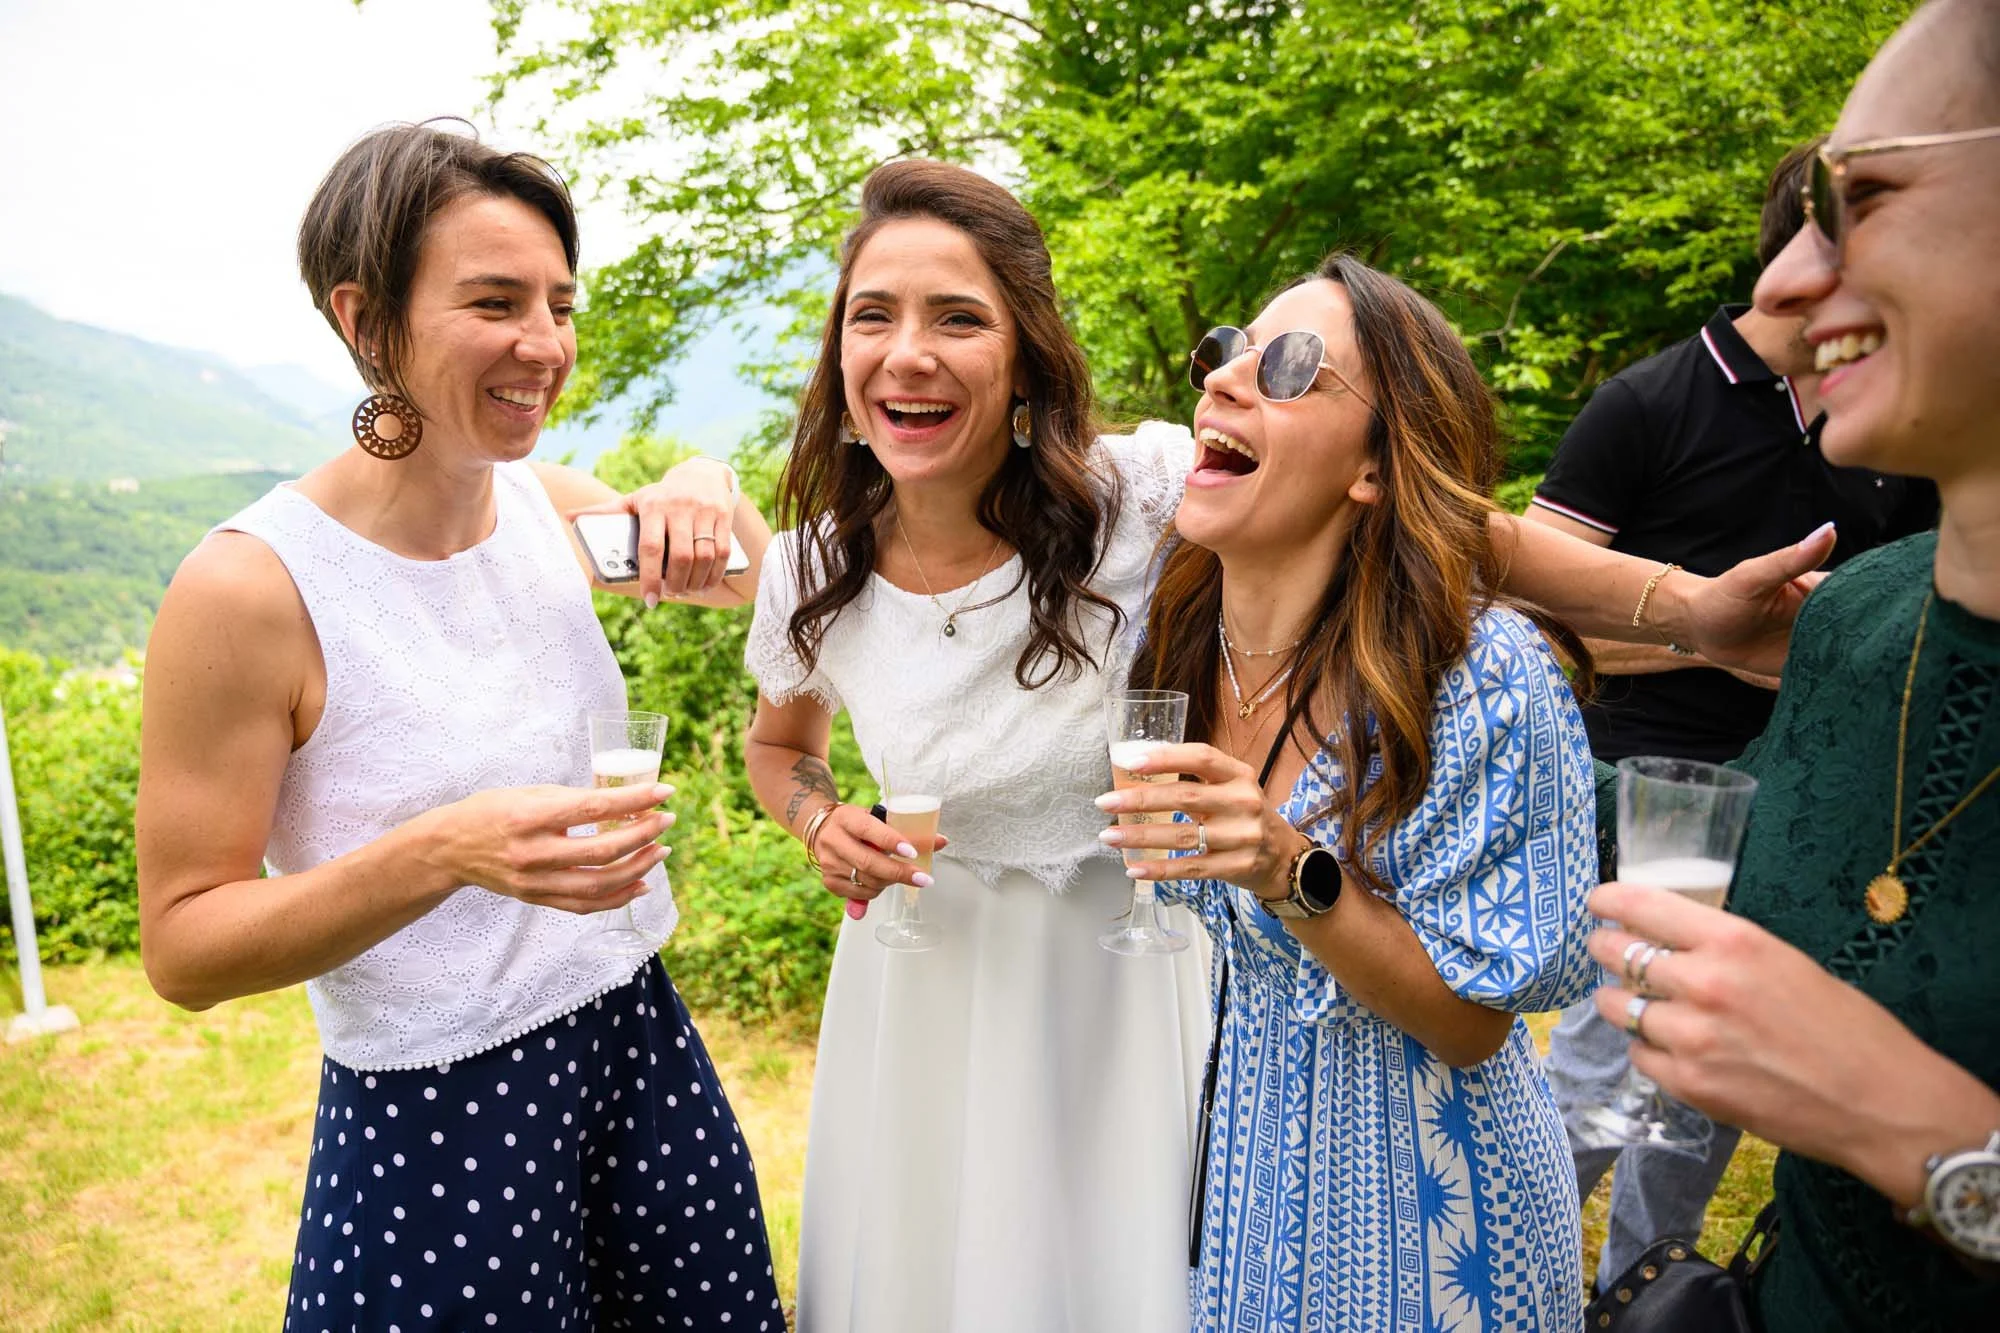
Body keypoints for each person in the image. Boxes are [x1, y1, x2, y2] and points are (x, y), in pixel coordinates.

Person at [135, 123, 784, 1331]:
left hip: (639, 1049)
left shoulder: (551, 507)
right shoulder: (249, 590)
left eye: (558, 302)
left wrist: (709, 483)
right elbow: (182, 948)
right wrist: (443, 850)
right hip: (439, 1124)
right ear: (366, 320)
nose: (545, 344)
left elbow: (784, 590)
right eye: (495, 301)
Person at [741, 160, 1212, 1333]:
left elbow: (1399, 515)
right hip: (920, 986)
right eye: (873, 316)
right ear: (840, 363)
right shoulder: (807, 568)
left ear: (1023, 362)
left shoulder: (1137, 498)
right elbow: (778, 747)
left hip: (1119, 979)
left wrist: (1674, 606)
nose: (908, 353)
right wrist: (816, 820)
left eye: (958, 317)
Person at [1584, 1, 2000, 1327]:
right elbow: (1681, 838)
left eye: (1865, 197)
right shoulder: (1858, 617)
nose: (1778, 285)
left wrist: (1924, 1134)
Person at [1106, 255, 1602, 1329]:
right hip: (1241, 1187)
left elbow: (1472, 1026)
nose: (1225, 378)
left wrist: (1288, 870)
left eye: (1288, 366)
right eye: (1225, 352)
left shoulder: (1482, 674)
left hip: (1436, 1216)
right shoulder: (1177, 643)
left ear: (1374, 466)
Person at [1532, 141, 1939, 1285]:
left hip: (1803, 809)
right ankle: (1487, 1277)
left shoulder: (1885, 426)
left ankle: (1640, 1294)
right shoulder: (1648, 401)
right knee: (1603, 1067)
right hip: (1645, 800)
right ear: (1803, 255)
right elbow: (1521, 610)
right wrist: (1708, 634)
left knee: (1698, 1097)